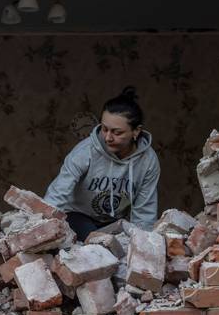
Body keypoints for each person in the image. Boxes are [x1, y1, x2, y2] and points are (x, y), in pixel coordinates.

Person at [44, 86, 160, 240]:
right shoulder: (86, 152)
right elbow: (58, 192)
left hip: (114, 221)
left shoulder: (148, 161)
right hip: (77, 215)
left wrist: (144, 245)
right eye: (105, 129)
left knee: (123, 247)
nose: (107, 138)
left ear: (136, 131)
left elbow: (144, 210)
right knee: (98, 241)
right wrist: (42, 228)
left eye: (117, 132)